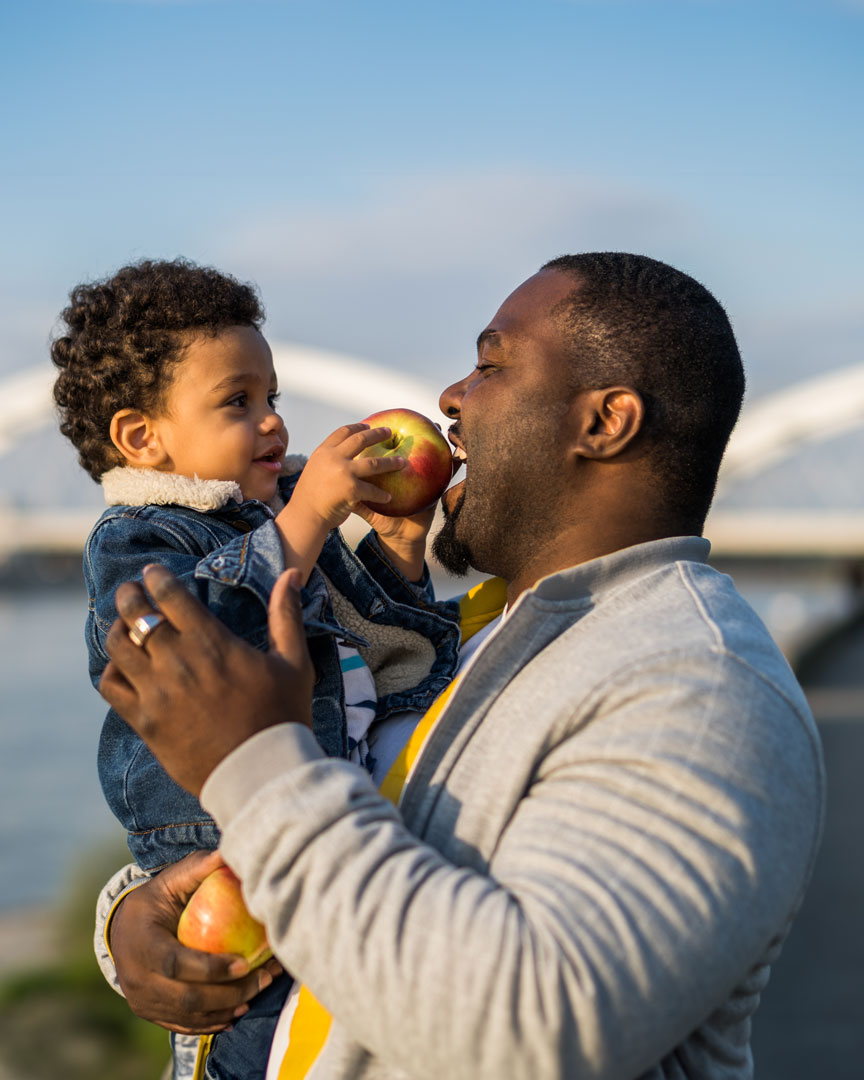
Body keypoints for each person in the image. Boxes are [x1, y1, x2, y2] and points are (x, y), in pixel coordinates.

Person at [95, 253, 825, 1080]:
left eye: (490, 364)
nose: (448, 398)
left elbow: (538, 1027)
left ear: (605, 422)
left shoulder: (701, 686)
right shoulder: (495, 636)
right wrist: (137, 919)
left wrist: (257, 769)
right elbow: (362, 844)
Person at [51, 258, 461, 1080]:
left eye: (273, 397)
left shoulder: (270, 517)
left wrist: (402, 551)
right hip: (218, 846)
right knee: (246, 1028)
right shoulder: (137, 539)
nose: (273, 424)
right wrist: (308, 516)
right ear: (143, 437)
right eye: (238, 402)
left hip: (307, 826)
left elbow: (388, 648)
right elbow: (195, 637)